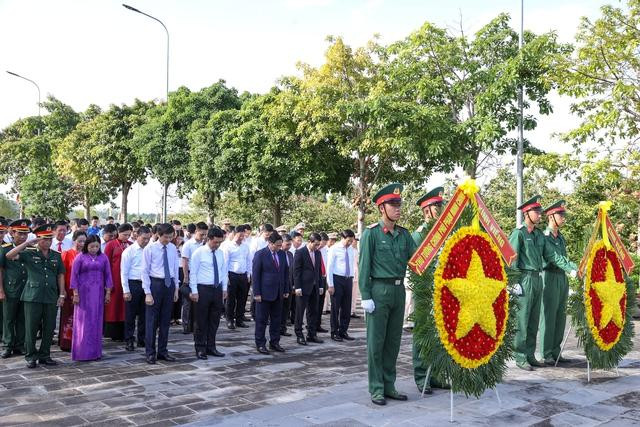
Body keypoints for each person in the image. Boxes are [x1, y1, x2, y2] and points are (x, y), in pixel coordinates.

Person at [359, 183, 417, 405]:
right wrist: (365, 295)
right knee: (376, 342)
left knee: (393, 341)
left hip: (398, 290)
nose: (398, 208)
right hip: (378, 290)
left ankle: (389, 384)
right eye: (393, 204)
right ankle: (376, 388)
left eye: (399, 204)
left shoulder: (404, 234)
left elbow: (416, 260)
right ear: (381, 207)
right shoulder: (371, 234)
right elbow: (363, 266)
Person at [6, 224, 66, 368]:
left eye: (49, 240)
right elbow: (9, 255)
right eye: (44, 240)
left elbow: (60, 275)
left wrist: (62, 294)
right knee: (31, 327)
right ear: (38, 240)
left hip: (51, 295)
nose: (48, 242)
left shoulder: (56, 256)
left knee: (49, 327)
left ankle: (45, 355)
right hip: (32, 296)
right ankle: (31, 356)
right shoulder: (29, 253)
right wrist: (26, 243)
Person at [409, 187, 449, 393]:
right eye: (437, 206)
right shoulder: (419, 236)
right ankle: (422, 376)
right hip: (425, 291)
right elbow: (415, 268)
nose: (441, 210)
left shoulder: (442, 234)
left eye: (441, 206)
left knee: (439, 334)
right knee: (423, 334)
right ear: (427, 211)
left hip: (441, 290)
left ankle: (436, 374)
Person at [509, 195, 547, 371]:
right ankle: (520, 356)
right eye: (536, 212)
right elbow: (512, 258)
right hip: (524, 278)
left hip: (537, 278)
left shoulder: (539, 235)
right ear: (526, 213)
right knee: (522, 320)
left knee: (533, 319)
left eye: (540, 212)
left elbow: (548, 255)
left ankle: (530, 354)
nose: (539, 215)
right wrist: (513, 282)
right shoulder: (519, 233)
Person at [539, 200, 578, 365]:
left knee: (560, 315)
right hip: (549, 276)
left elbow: (564, 258)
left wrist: (575, 267)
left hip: (561, 278)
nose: (563, 218)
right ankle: (546, 353)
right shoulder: (544, 237)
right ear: (551, 217)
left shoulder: (560, 237)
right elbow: (554, 258)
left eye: (563, 215)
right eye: (560, 215)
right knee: (548, 316)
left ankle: (556, 351)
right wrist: (572, 269)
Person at [70, 235, 113, 361]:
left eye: (97, 246)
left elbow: (108, 275)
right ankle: (81, 352)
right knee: (83, 322)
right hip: (83, 294)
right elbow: (74, 276)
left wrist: (108, 292)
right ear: (86, 246)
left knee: (96, 321)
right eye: (91, 246)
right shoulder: (80, 257)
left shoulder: (103, 257)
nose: (94, 249)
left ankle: (95, 352)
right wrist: (75, 294)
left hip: (98, 293)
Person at [142, 223, 179, 364]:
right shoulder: (150, 249)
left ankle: (163, 351)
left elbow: (175, 268)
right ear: (158, 234)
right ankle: (150, 352)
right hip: (155, 284)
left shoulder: (172, 248)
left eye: (171, 237)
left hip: (168, 285)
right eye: (166, 237)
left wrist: (176, 288)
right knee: (151, 321)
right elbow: (144, 271)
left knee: (165, 321)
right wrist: (147, 292)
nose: (168, 240)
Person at [189, 227, 227, 359]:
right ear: (208, 239)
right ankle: (200, 347)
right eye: (215, 242)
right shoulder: (198, 253)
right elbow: (193, 272)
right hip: (202, 289)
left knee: (214, 320)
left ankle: (211, 346)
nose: (217, 245)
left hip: (216, 288)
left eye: (219, 242)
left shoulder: (220, 253)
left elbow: (223, 271)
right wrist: (194, 291)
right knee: (201, 321)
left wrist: (224, 289)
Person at [253, 231, 290, 354]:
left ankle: (274, 342)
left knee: (276, 319)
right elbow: (256, 275)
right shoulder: (260, 254)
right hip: (264, 293)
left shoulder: (282, 254)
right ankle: (260, 343)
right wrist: (256, 293)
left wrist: (285, 289)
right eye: (277, 245)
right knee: (261, 320)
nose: (279, 247)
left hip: (278, 292)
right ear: (270, 243)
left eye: (281, 245)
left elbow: (285, 273)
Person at [0, 219, 31, 358]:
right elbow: (0, 270)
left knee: (22, 318)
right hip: (10, 289)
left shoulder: (30, 249)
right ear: (13, 233)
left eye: (25, 234)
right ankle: (7, 345)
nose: (23, 237)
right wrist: (0, 290)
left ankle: (20, 345)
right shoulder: (5, 248)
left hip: (26, 290)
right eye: (20, 233)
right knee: (8, 319)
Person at [121, 226, 152, 351]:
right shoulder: (129, 251)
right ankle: (129, 339)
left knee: (145, 314)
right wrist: (126, 290)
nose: (146, 241)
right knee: (130, 314)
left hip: (147, 284)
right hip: (133, 284)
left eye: (148, 239)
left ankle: (142, 339)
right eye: (144, 238)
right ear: (137, 236)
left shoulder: (150, 250)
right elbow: (124, 272)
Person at [293, 232, 325, 345]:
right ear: (310, 242)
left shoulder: (318, 253)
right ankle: (299, 334)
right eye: (315, 244)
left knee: (313, 311)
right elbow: (296, 271)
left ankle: (311, 334)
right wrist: (297, 287)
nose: (317, 246)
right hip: (303, 286)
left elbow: (319, 271)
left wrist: (320, 285)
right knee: (300, 312)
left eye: (318, 244)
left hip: (315, 286)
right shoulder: (300, 252)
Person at [58, 231, 87, 351]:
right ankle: (67, 342)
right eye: (80, 241)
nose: (82, 243)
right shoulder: (66, 254)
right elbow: (61, 274)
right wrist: (63, 290)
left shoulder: (87, 255)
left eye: (84, 241)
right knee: (68, 316)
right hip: (69, 290)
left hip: (84, 290)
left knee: (81, 317)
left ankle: (80, 340)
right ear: (74, 240)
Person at [103, 223, 132, 341]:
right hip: (114, 278)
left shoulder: (131, 245)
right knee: (114, 306)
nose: (127, 237)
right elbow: (106, 263)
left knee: (125, 306)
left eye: (129, 235)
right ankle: (113, 332)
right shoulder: (111, 245)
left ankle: (126, 331)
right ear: (118, 233)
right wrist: (107, 281)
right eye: (125, 234)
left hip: (127, 279)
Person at [326, 229, 356, 342]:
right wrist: (330, 284)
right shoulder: (334, 249)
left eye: (351, 241)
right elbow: (329, 267)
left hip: (348, 279)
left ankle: (343, 331)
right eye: (348, 241)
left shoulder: (351, 250)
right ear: (343, 238)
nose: (350, 243)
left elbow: (352, 265)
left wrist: (352, 278)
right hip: (337, 279)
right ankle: (334, 332)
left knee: (346, 307)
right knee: (335, 307)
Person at [221, 225, 251, 330]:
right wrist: (226, 277)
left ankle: (239, 319)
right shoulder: (228, 246)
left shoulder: (245, 246)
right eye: (240, 236)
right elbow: (225, 262)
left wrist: (248, 274)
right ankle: (230, 320)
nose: (242, 238)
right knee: (231, 299)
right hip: (231, 274)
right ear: (234, 234)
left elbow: (248, 261)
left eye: (244, 236)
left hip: (242, 274)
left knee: (242, 298)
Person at [181, 222, 208, 333]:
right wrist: (186, 276)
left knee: (199, 301)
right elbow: (185, 261)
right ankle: (186, 325)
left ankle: (196, 324)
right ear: (196, 231)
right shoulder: (188, 244)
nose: (204, 237)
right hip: (191, 274)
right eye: (202, 234)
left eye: (205, 234)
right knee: (188, 301)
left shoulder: (205, 244)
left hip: (201, 276)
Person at [279, 234, 295, 337]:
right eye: (287, 244)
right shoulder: (277, 254)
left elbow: (292, 271)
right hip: (279, 286)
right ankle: (277, 328)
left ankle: (283, 328)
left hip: (289, 286)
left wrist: (293, 284)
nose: (289, 246)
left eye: (290, 245)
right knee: (278, 308)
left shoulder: (290, 254)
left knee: (286, 308)